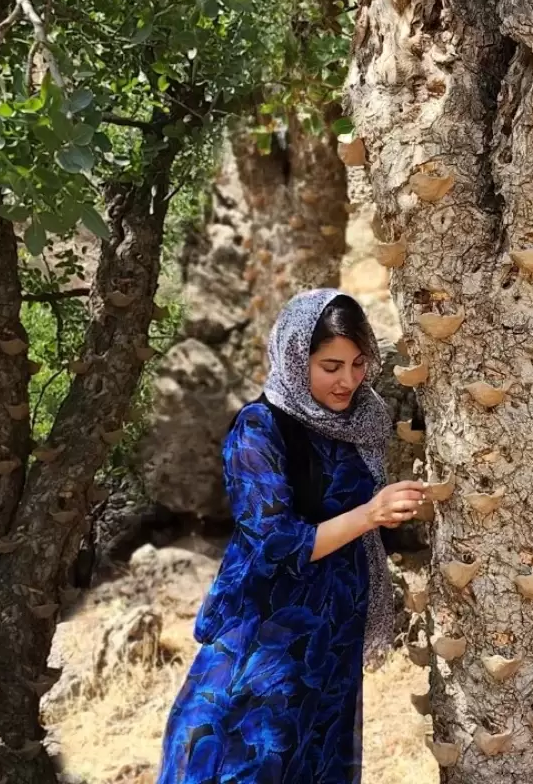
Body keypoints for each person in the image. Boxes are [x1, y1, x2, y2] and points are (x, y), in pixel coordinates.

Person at [156, 289, 427, 784]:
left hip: (330, 636)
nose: (348, 380)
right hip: (270, 637)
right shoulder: (258, 430)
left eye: (359, 363)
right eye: (331, 366)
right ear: (294, 357)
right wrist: (370, 514)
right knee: (252, 762)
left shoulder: (358, 424)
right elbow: (276, 544)